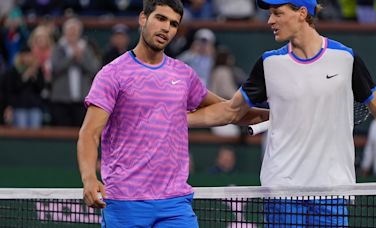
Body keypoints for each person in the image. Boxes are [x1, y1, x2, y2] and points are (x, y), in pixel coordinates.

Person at [188, 0, 376, 226]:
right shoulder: (269, 63)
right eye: (270, 14)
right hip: (282, 192)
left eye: (277, 13)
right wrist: (177, 119)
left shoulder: (346, 59)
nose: (270, 20)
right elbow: (230, 111)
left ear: (301, 13)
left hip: (331, 191)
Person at [77, 0, 267, 227]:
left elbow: (229, 110)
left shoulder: (184, 74)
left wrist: (274, 116)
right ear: (143, 19)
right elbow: (89, 133)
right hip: (125, 202)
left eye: (174, 24)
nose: (167, 28)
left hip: (175, 204)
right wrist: (89, 178)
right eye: (160, 19)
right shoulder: (112, 74)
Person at [50, 17, 100, 127]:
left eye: (75, 31)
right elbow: (55, 68)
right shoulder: (58, 48)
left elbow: (93, 69)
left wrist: (80, 59)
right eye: (70, 31)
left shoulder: (86, 48)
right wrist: (72, 57)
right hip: (61, 100)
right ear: (65, 32)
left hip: (82, 99)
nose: (72, 34)